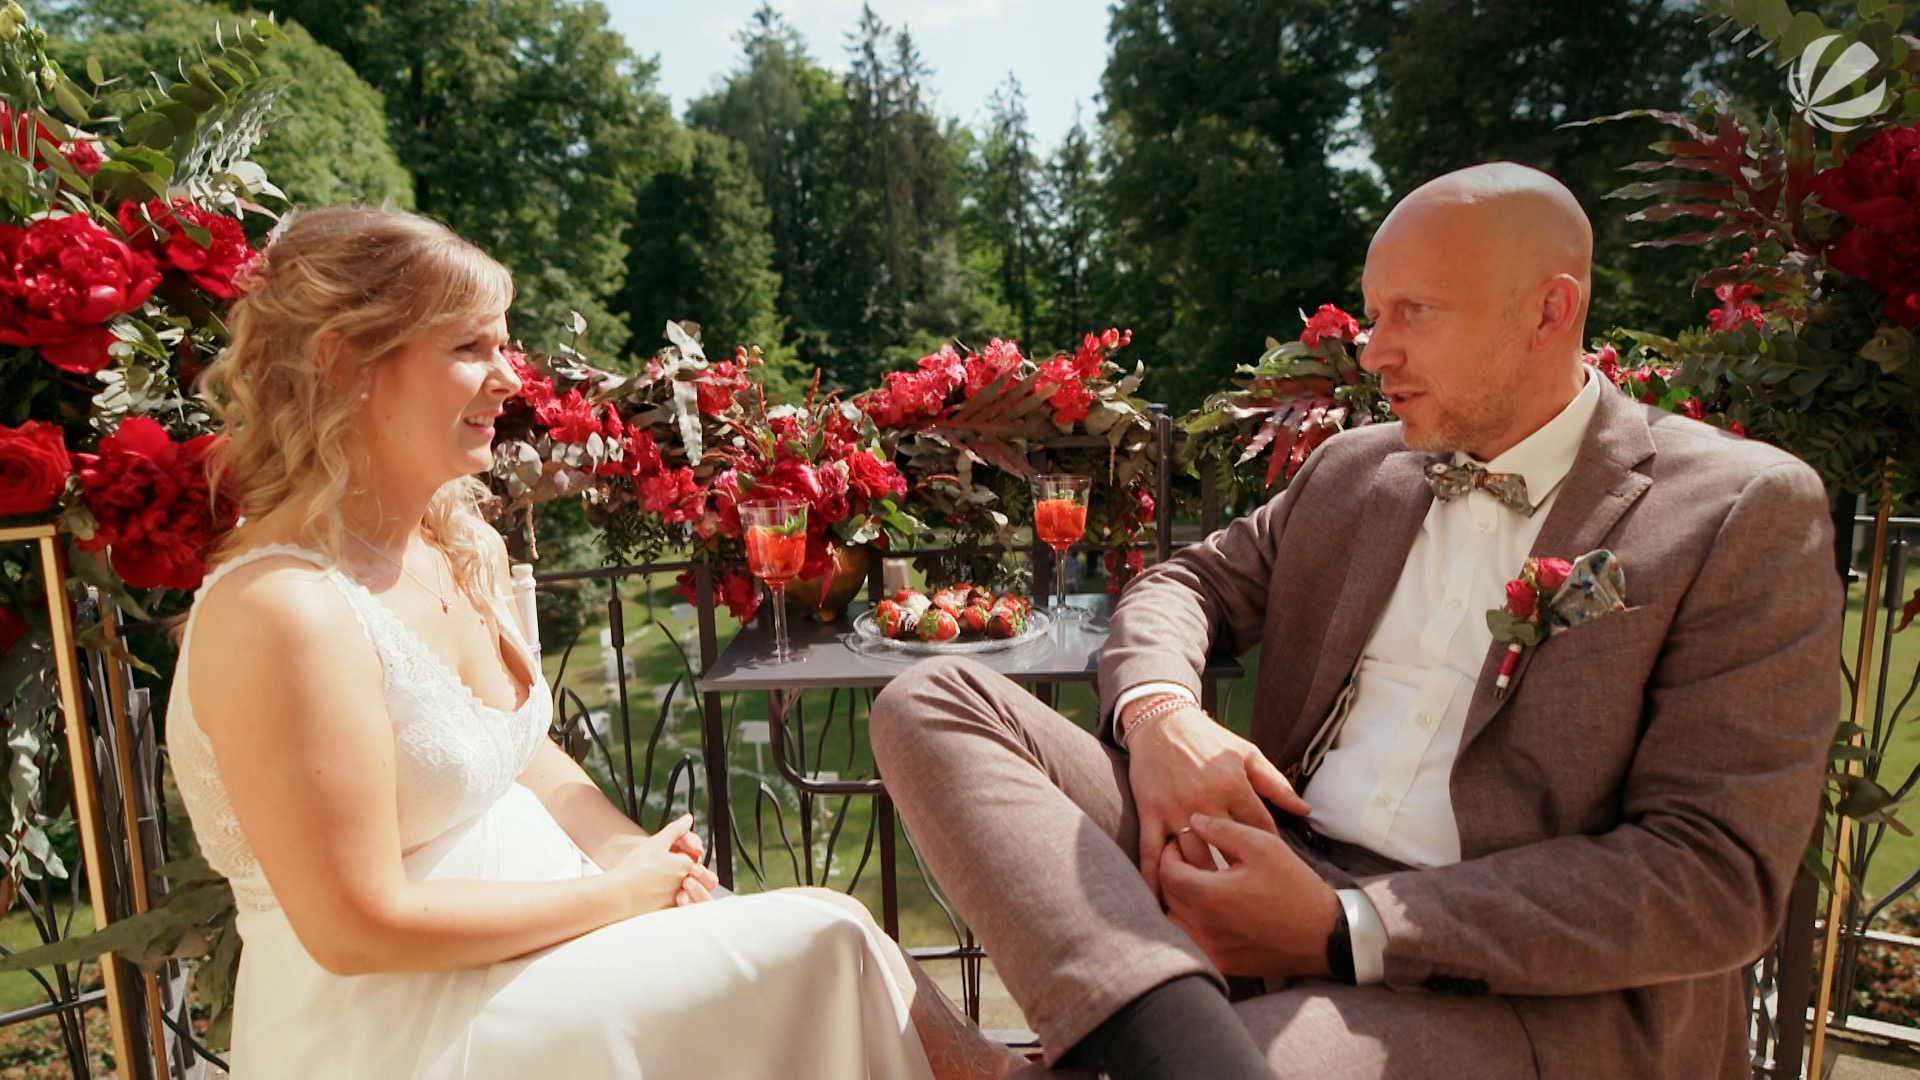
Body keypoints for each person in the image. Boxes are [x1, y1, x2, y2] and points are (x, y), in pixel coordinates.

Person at [868, 163, 1843, 1079]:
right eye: (1374, 314)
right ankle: (1182, 1045)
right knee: (933, 699)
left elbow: (1712, 876)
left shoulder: (1740, 510)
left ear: (1550, 310)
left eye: (1413, 312)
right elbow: (1187, 584)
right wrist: (1163, 717)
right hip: (1261, 852)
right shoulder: (1354, 471)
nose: (1374, 350)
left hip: (1510, 992)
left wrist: (1341, 926)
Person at [172, 206, 1021, 1079]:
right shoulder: (284, 610)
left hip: (543, 957)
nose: (509, 380)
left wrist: (631, 854)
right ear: (342, 359)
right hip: (399, 1026)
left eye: (505, 347)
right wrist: (611, 897)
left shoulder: (465, 550)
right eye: (469, 349)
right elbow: (355, 928)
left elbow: (524, 758)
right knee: (827, 941)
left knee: (853, 945)